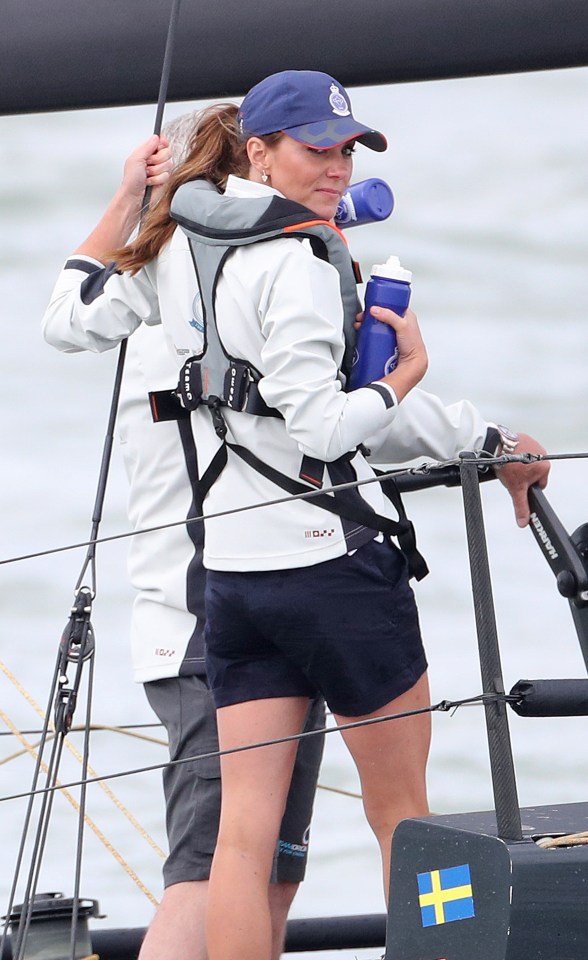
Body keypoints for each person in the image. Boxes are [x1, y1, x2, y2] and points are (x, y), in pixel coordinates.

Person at [42, 70, 550, 960]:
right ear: (260, 151)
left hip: (231, 581)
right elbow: (326, 428)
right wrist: (401, 381)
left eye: (348, 150)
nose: (338, 169)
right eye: (319, 150)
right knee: (406, 819)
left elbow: (70, 319)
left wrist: (133, 195)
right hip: (333, 571)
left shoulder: (174, 246)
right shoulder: (309, 261)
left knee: (244, 841)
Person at [74, 127, 326, 960]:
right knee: (210, 871)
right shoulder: (166, 309)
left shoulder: (255, 298)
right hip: (200, 628)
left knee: (274, 873)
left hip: (282, 607)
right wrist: (129, 204)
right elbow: (66, 314)